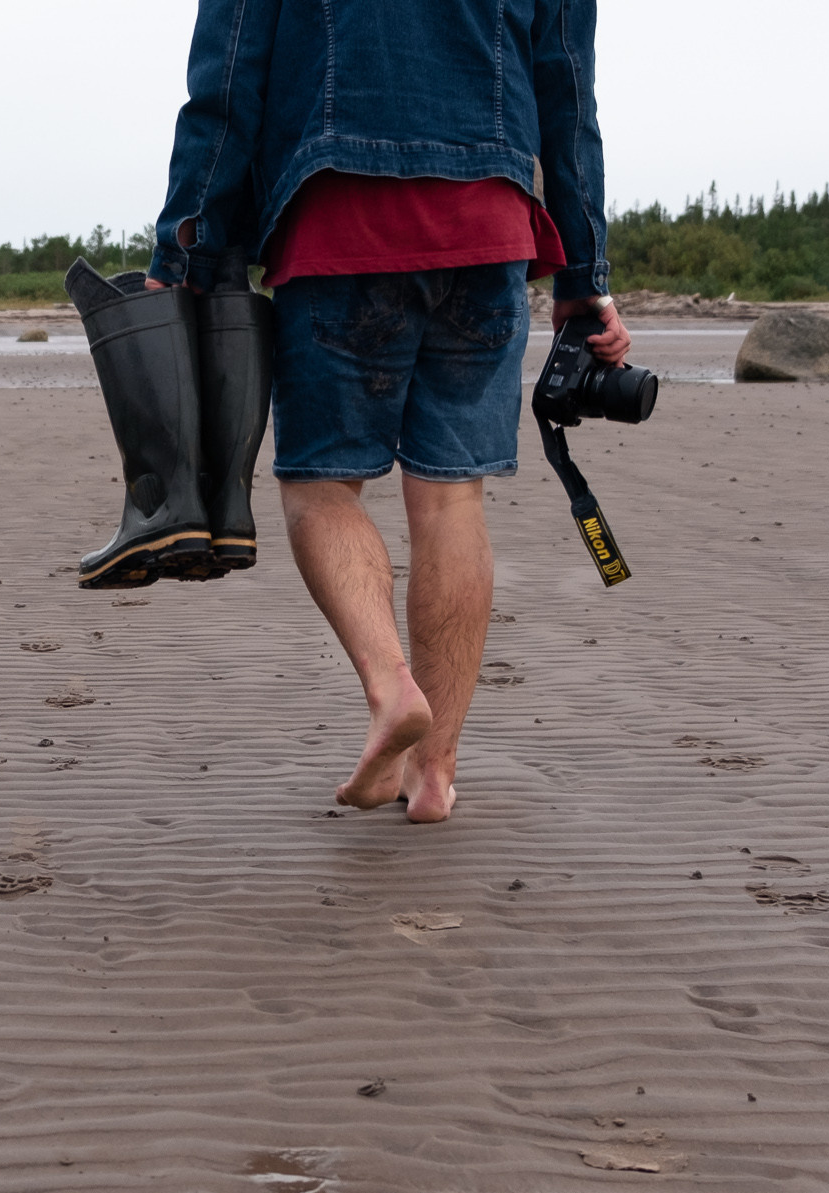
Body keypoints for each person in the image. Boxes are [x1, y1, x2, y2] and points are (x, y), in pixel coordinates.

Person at [151, 0, 634, 823]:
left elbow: (226, 80)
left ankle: (389, 690)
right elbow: (569, 89)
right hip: (491, 224)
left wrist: (186, 247)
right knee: (450, 496)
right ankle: (435, 770)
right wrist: (585, 275)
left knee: (320, 486)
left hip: (339, 217)